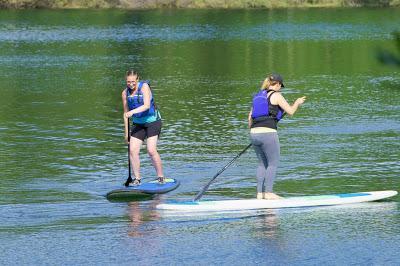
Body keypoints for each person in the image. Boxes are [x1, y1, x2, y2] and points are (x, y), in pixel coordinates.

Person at [248, 73, 306, 200]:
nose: (280, 88)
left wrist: (254, 133)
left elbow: (250, 118)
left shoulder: (257, 96)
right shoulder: (277, 95)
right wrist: (297, 102)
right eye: (281, 86)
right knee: (272, 163)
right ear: (278, 84)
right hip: (268, 133)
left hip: (254, 133)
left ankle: (260, 194)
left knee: (262, 164)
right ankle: (268, 193)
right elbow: (290, 111)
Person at [122, 70, 165, 185]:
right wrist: (126, 134)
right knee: (132, 150)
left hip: (153, 121)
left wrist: (132, 112)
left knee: (151, 150)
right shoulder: (125, 93)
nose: (131, 84)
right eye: (128, 82)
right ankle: (137, 179)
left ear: (137, 80)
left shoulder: (144, 87)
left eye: (133, 82)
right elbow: (125, 114)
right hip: (138, 124)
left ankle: (160, 177)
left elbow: (146, 106)